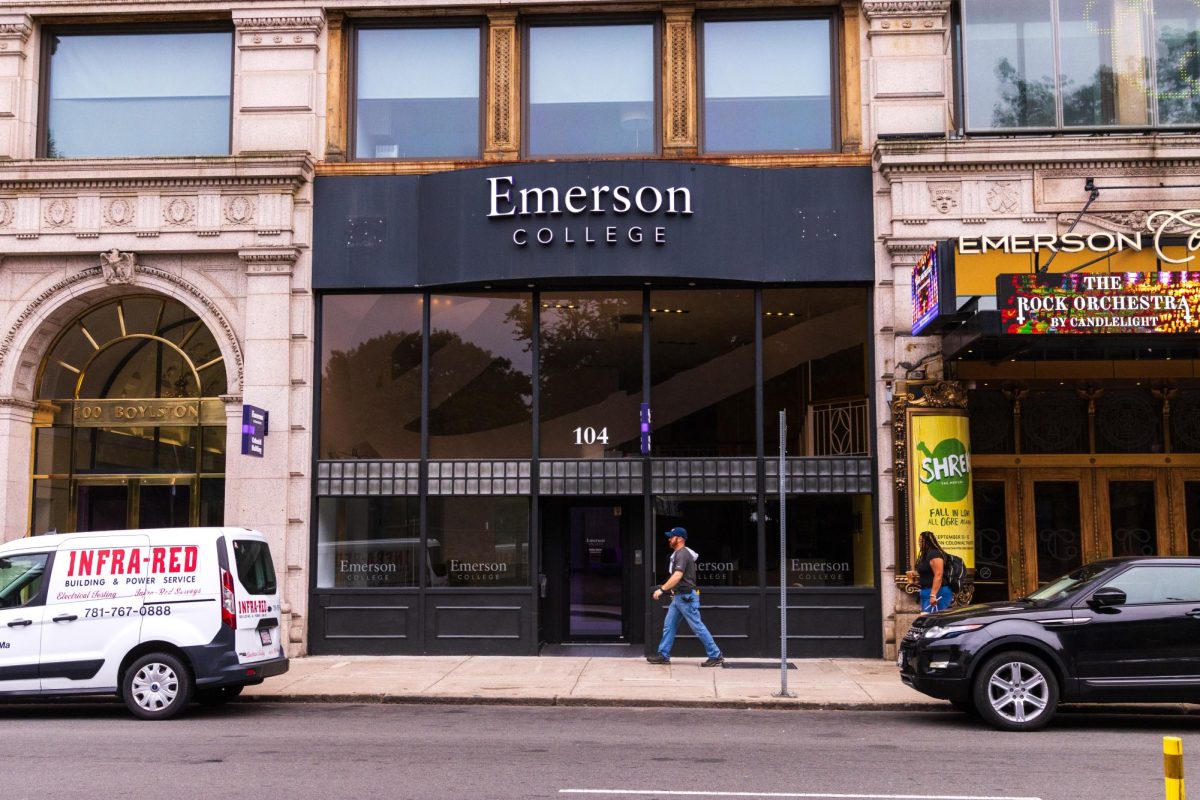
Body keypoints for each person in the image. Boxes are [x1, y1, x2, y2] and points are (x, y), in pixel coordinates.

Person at [647, 526, 724, 667]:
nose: (669, 539)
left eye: (672, 537)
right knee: (669, 626)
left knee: (697, 627)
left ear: (680, 538)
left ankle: (716, 655)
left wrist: (662, 589)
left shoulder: (682, 554)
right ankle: (663, 655)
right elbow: (678, 578)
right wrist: (672, 590)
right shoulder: (679, 553)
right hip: (679, 598)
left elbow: (677, 575)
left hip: (686, 598)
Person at [915, 530, 953, 613]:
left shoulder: (934, 554)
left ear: (928, 542)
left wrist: (933, 595)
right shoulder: (925, 555)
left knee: (932, 621)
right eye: (919, 541)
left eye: (921, 541)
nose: (919, 544)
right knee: (926, 620)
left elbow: (938, 574)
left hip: (937, 593)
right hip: (926, 593)